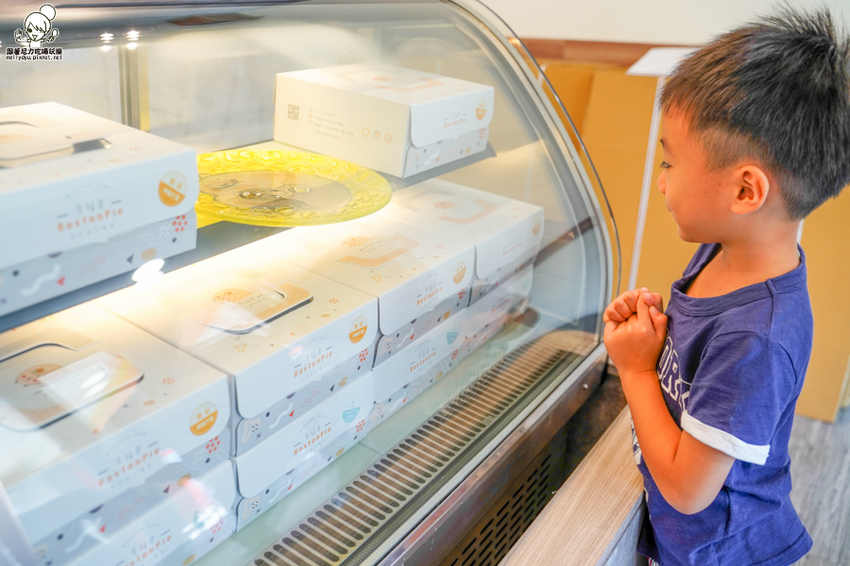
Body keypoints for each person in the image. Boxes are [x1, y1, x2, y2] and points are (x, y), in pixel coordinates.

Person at [602, 7, 850, 566]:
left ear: (745, 192)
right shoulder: (725, 251)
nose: (660, 182)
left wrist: (636, 369)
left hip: (720, 552)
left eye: (670, 163)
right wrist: (654, 338)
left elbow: (688, 492)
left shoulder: (754, 341)